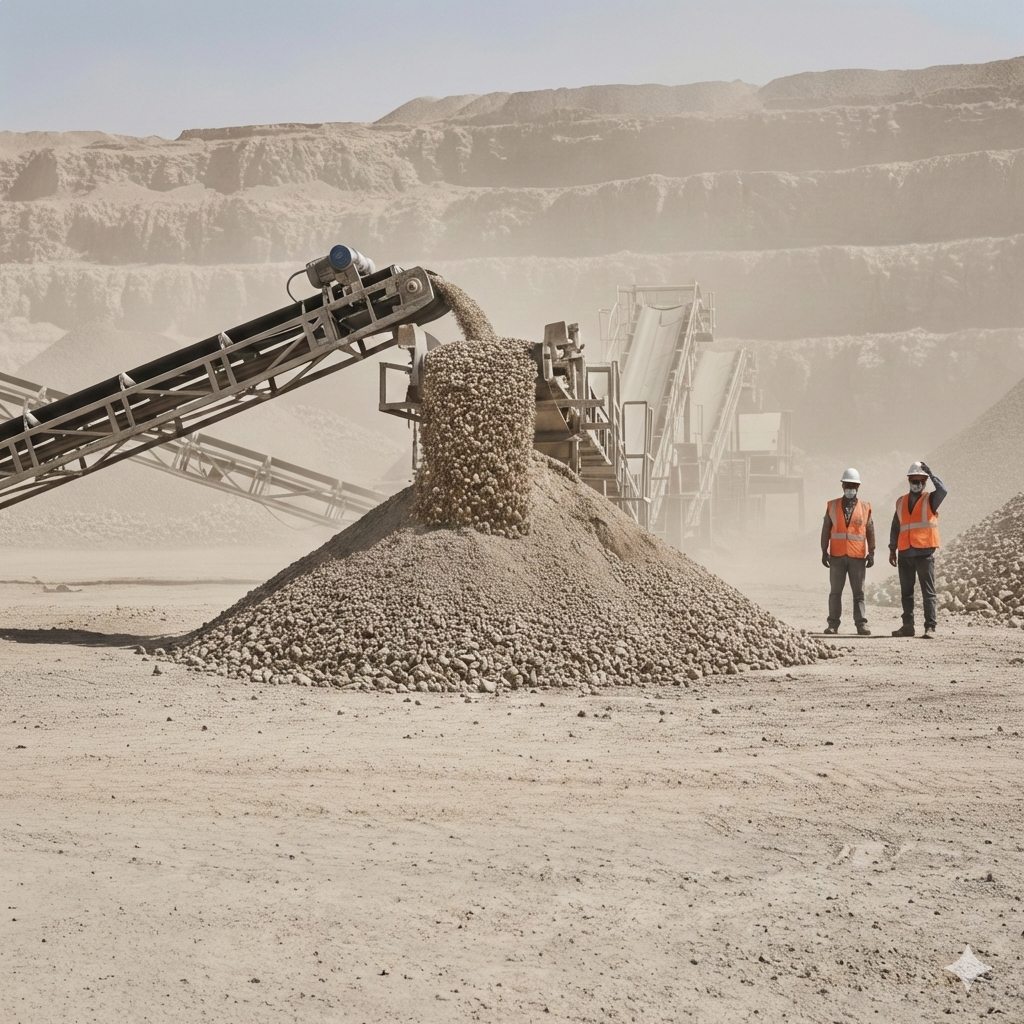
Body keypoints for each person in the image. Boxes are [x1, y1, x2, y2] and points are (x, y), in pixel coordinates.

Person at [889, 461, 947, 638]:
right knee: (906, 593)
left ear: (925, 482)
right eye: (914, 481)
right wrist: (892, 549)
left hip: (924, 553)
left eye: (921, 481)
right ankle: (908, 626)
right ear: (909, 481)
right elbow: (895, 527)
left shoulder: (931, 499)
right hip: (905, 553)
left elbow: (943, 490)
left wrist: (930, 473)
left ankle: (930, 627)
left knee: (928, 592)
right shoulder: (900, 502)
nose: (917, 484)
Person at [821, 467, 875, 635]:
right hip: (837, 556)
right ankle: (833, 624)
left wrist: (871, 552)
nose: (850, 489)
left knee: (859, 593)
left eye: (853, 486)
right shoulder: (832, 505)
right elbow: (826, 529)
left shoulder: (865, 507)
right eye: (847, 486)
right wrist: (824, 551)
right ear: (842, 486)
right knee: (835, 592)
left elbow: (870, 530)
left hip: (857, 557)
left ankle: (861, 624)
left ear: (857, 488)